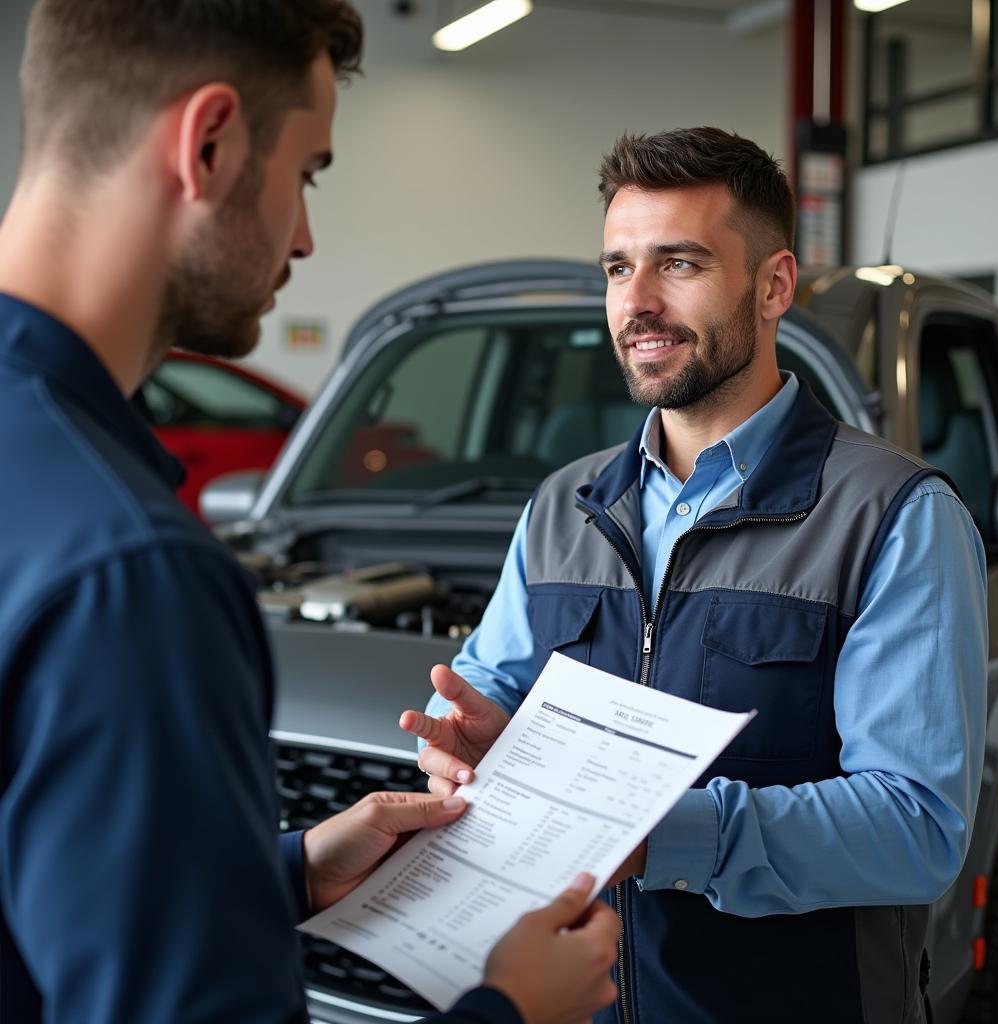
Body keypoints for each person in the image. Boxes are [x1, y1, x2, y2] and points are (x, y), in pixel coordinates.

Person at [0, 3, 621, 1023]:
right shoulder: (129, 574)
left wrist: (282, 871)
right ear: (208, 144)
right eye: (308, 173)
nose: (303, 233)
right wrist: (510, 1009)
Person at [402, 127, 988, 1023]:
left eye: (678, 263)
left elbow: (916, 827)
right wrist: (467, 744)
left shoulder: (893, 515)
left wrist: (663, 833)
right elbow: (489, 688)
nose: (636, 302)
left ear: (774, 285)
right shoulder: (566, 505)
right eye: (615, 268)